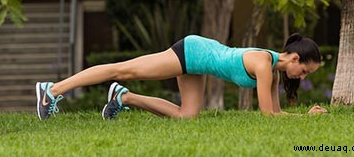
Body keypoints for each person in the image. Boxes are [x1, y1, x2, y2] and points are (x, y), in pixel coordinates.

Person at [35, 33, 329, 120]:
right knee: (122, 68)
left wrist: (301, 116)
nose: (301, 77)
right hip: (192, 52)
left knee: (187, 117)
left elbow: (276, 114)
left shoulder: (273, 70)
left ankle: (122, 96)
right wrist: (308, 118)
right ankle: (52, 90)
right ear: (293, 57)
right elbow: (268, 117)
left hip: (200, 63)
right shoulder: (265, 65)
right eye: (303, 70)